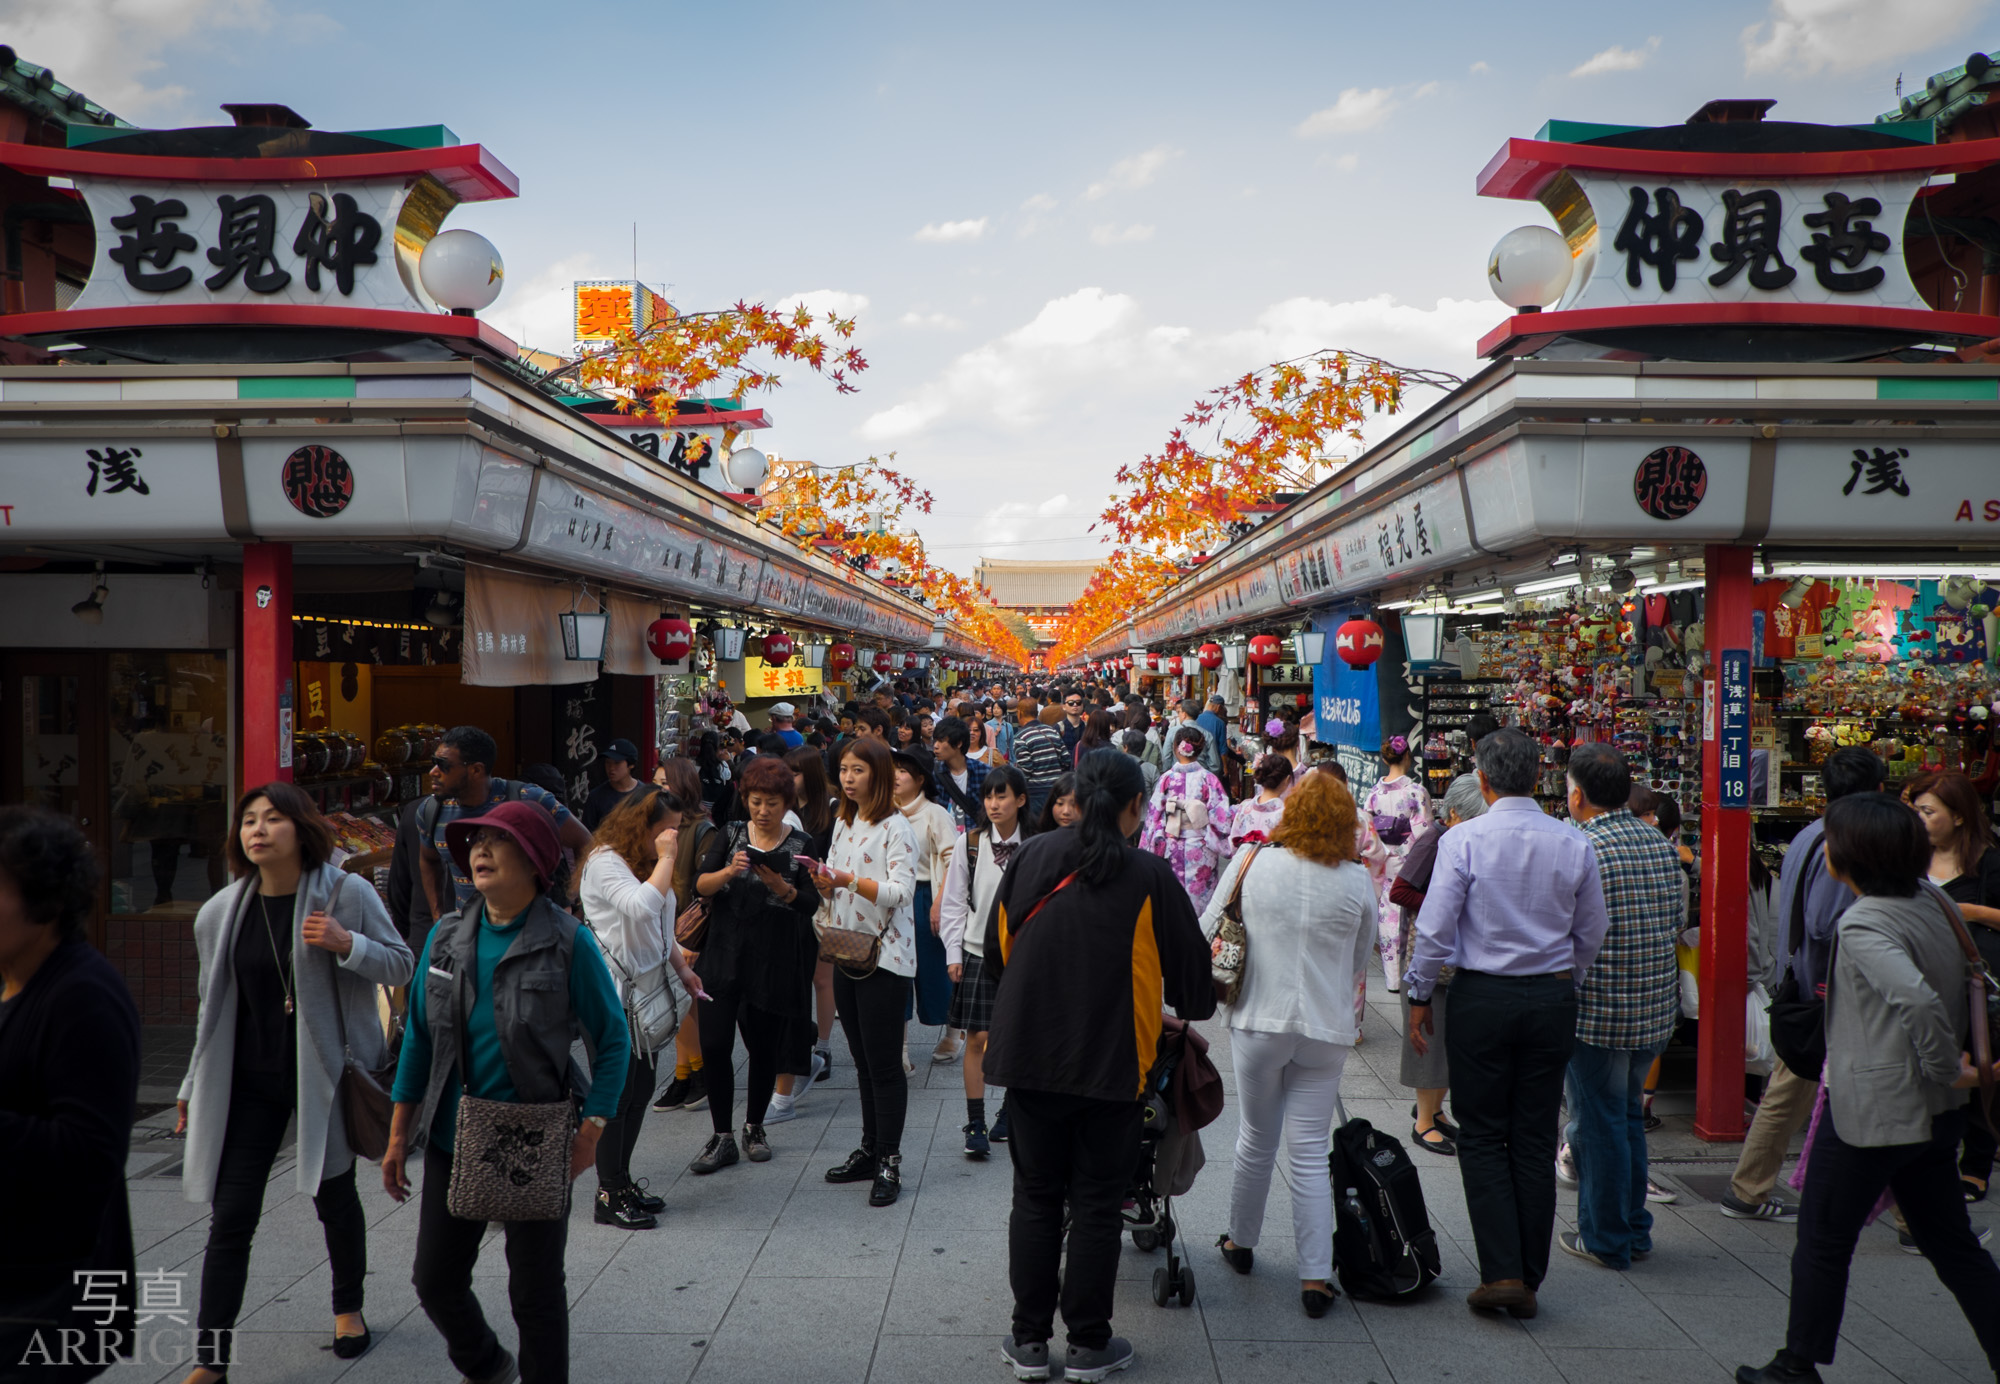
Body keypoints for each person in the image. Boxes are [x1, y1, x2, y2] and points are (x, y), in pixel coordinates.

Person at [1734, 793, 2000, 1384]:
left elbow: (1917, 1001)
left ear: (1851, 855)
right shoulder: (1934, 900)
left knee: (1824, 1238)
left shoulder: (1864, 921)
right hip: (1934, 1113)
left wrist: (1945, 1065)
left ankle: (1796, 1366)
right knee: (1952, 1244)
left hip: (1873, 1109)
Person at [986, 749, 1217, 1382]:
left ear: (1079, 798)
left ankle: (1030, 1342)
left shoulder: (1031, 857)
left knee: (1035, 1196)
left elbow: (998, 953)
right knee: (1096, 1203)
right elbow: (1195, 990)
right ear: (1136, 806)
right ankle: (1090, 1344)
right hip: (1114, 1066)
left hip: (1029, 1055)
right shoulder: (1149, 875)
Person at [385, 801, 630, 1384]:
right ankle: (488, 1364)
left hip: (535, 1138)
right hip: (451, 1135)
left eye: (499, 842)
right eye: (476, 843)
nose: (481, 851)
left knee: (535, 1290)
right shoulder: (445, 938)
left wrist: (592, 1130)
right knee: (435, 1280)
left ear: (536, 861)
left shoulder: (568, 942)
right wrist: (397, 1135)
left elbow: (614, 1040)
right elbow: (418, 1039)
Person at [175, 784, 414, 1380]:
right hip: (247, 1083)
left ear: (301, 828)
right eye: (248, 820)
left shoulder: (346, 893)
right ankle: (211, 1358)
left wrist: (346, 943)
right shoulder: (219, 913)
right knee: (231, 1217)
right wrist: (191, 1083)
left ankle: (348, 1309)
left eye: (273, 818)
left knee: (334, 1196)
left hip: (322, 1077)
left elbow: (401, 963)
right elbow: (210, 1010)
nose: (257, 829)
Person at [1406, 728, 1610, 1320]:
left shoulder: (1463, 841)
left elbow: (1435, 929)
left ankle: (1502, 1271)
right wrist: (1566, 978)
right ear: (1540, 776)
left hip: (1482, 998)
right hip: (1550, 997)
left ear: (1483, 780)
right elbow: (1591, 930)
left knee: (1482, 1131)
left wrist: (1419, 993)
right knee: (1535, 1133)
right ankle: (1529, 1273)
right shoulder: (1573, 843)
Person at [1201, 772, 1376, 1319]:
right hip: (1325, 1027)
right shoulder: (1356, 880)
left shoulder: (1252, 861)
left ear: (1289, 813)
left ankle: (1241, 1240)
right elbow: (1359, 959)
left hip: (1259, 1017)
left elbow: (1206, 927)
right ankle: (1315, 1277)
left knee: (1256, 1137)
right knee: (1308, 1150)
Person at [0, 808, 140, 1384]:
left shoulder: (82, 995)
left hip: (46, 1296)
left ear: (48, 899)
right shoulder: (16, 979)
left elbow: (90, 1154)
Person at [1721, 747, 1885, 1221]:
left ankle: (1747, 1190)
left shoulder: (1810, 834)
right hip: (1830, 994)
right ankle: (1916, 1218)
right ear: (1878, 791)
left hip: (1811, 989)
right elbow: (1824, 922)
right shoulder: (1843, 841)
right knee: (1875, 1097)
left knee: (1792, 1093)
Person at [1555, 744, 1687, 1272]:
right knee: (1626, 1114)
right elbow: (1676, 920)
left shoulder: (1581, 846)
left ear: (1577, 796)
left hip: (1599, 1010)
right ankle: (1633, 1228)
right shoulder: (1659, 843)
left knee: (1598, 1122)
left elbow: (1565, 931)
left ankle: (1606, 1237)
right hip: (1653, 1007)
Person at [578, 787, 708, 1228]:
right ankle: (608, 1193)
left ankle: (621, 1180)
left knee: (639, 1090)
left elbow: (660, 925)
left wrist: (682, 969)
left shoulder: (647, 860)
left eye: (677, 829)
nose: (673, 836)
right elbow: (641, 907)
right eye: (666, 828)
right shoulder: (605, 862)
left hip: (644, 994)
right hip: (610, 997)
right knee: (616, 1094)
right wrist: (668, 858)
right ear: (640, 826)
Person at [689, 757, 822, 1171]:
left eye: (772, 803)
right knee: (714, 1045)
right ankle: (722, 1136)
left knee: (763, 1049)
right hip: (723, 955)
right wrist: (730, 871)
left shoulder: (802, 844)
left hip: (772, 959)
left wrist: (782, 887)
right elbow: (700, 884)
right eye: (756, 801)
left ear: (787, 804)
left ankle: (755, 1127)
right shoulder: (730, 834)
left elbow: (811, 904)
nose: (763, 810)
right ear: (745, 799)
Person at [814, 737, 920, 1206]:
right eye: (843, 769)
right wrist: (825, 882)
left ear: (878, 775)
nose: (848, 778)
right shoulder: (843, 820)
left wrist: (848, 881)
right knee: (861, 1060)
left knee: (884, 1065)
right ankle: (870, 1148)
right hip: (846, 948)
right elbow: (835, 883)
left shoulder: (897, 827)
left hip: (886, 956)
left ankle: (890, 1161)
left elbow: (901, 892)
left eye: (858, 770)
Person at [1908, 769, 2000, 1202]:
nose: (1920, 820)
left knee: (1978, 1062)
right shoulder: (1910, 859)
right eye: (1916, 810)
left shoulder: (1988, 862)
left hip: (1973, 985)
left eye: (1929, 812)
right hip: (1922, 979)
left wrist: (1970, 911)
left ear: (1959, 816)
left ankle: (1976, 1165)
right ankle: (1930, 1158)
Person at [1389, 772, 1486, 1155]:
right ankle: (1424, 1121)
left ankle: (1435, 1111)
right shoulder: (1435, 839)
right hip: (1429, 957)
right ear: (1456, 813)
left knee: (1446, 1041)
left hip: (1452, 957)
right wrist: (1442, 905)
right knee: (1429, 1040)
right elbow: (1400, 890)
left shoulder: (1461, 841)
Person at [941, 765, 1035, 1157]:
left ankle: (1010, 1110)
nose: (994, 804)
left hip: (1025, 956)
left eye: (1002, 796)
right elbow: (953, 901)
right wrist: (953, 952)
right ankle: (976, 1122)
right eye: (989, 796)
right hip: (978, 950)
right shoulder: (971, 842)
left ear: (1021, 800)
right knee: (977, 1039)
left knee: (1019, 1037)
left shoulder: (1037, 843)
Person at [420, 725, 592, 917]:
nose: (433, 772)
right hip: (468, 928)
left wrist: (583, 907)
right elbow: (428, 860)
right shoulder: (432, 810)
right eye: (434, 763)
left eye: (443, 765)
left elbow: (585, 841)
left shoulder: (527, 799)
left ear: (476, 770)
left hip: (531, 926)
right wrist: (438, 917)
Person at [768, 746, 839, 1122]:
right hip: (794, 903)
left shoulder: (832, 810)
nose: (790, 778)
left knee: (822, 979)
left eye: (795, 772)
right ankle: (808, 1046)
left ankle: (823, 1047)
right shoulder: (784, 808)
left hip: (826, 904)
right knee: (800, 978)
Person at [652, 757, 718, 1115]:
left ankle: (699, 1073)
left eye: (666, 783)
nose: (659, 789)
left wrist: (688, 935)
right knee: (676, 1003)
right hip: (659, 922)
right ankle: (684, 1075)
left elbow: (705, 889)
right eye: (656, 782)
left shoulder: (702, 829)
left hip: (687, 929)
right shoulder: (652, 825)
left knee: (686, 1002)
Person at [893, 745, 961, 1063]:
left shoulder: (935, 813)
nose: (895, 776)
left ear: (920, 779)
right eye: (892, 770)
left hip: (926, 897)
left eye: (903, 771)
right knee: (896, 972)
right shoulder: (884, 812)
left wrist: (938, 904)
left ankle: (953, 1033)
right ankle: (902, 1049)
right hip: (893, 898)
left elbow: (953, 862)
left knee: (935, 972)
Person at [1363, 735, 1433, 993]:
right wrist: (1403, 850)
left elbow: (1368, 832)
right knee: (1408, 914)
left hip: (1382, 859)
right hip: (1409, 860)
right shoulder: (1416, 792)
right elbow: (1424, 832)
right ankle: (1407, 975)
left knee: (1387, 915)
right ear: (1408, 757)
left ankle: (1392, 979)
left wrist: (1384, 851)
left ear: (1384, 759)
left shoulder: (1373, 794)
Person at [1140, 727, 1234, 911]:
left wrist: (1148, 844)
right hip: (1201, 846)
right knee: (1201, 902)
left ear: (1176, 748)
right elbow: (1221, 817)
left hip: (1171, 844)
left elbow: (1154, 814)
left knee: (1172, 900)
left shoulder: (1166, 779)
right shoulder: (1209, 779)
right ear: (1200, 749)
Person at [1012, 697, 1069, 821]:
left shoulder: (1021, 737)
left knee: (1038, 827)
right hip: (1056, 790)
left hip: (1035, 794)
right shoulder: (1052, 731)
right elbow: (1066, 760)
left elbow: (1025, 771)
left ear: (1019, 713)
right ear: (1036, 713)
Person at [932, 715, 989, 829]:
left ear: (959, 743)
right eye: (935, 740)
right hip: (944, 835)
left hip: (975, 835)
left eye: (941, 741)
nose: (936, 746)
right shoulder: (934, 773)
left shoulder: (983, 772)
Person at [581, 739, 645, 832]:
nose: (611, 768)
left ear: (631, 764)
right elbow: (588, 834)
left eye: (617, 763)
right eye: (608, 762)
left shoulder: (645, 795)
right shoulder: (596, 796)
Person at [1231, 756, 1292, 848]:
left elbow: (1233, 842)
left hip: (1244, 856)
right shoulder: (1286, 813)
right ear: (1287, 779)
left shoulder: (1245, 807)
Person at [1120, 729, 1160, 793]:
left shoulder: (1115, 767)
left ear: (1126, 747)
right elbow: (1158, 794)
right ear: (1144, 748)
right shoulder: (1152, 769)